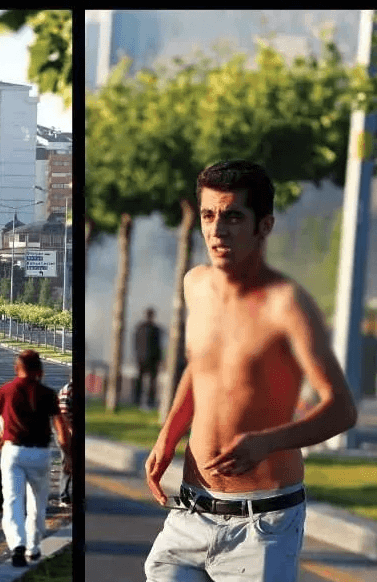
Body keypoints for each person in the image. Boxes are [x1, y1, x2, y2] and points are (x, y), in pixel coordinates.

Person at [143, 160, 358, 582]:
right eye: (208, 215)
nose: (217, 230)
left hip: (261, 527)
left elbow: (342, 410)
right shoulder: (196, 284)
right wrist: (167, 437)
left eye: (233, 216)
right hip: (190, 513)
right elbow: (201, 366)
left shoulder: (287, 306)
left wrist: (265, 442)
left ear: (264, 225)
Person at [0, 350, 71, 567]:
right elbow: (60, 427)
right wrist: (68, 454)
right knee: (37, 503)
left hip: (13, 451)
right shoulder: (48, 393)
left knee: (12, 501)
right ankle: (33, 546)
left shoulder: (6, 390)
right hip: (40, 453)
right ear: (39, 370)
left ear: (17, 368)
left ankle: (17, 545)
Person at [134, 308, 162, 409]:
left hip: (142, 359)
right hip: (150, 359)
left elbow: (135, 343)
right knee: (149, 382)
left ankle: (138, 400)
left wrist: (137, 355)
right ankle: (147, 401)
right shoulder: (155, 329)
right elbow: (158, 345)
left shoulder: (140, 328)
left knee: (143, 381)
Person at [57, 380, 73, 507]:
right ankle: (64, 496)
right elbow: (63, 416)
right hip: (63, 428)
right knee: (67, 459)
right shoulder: (67, 391)